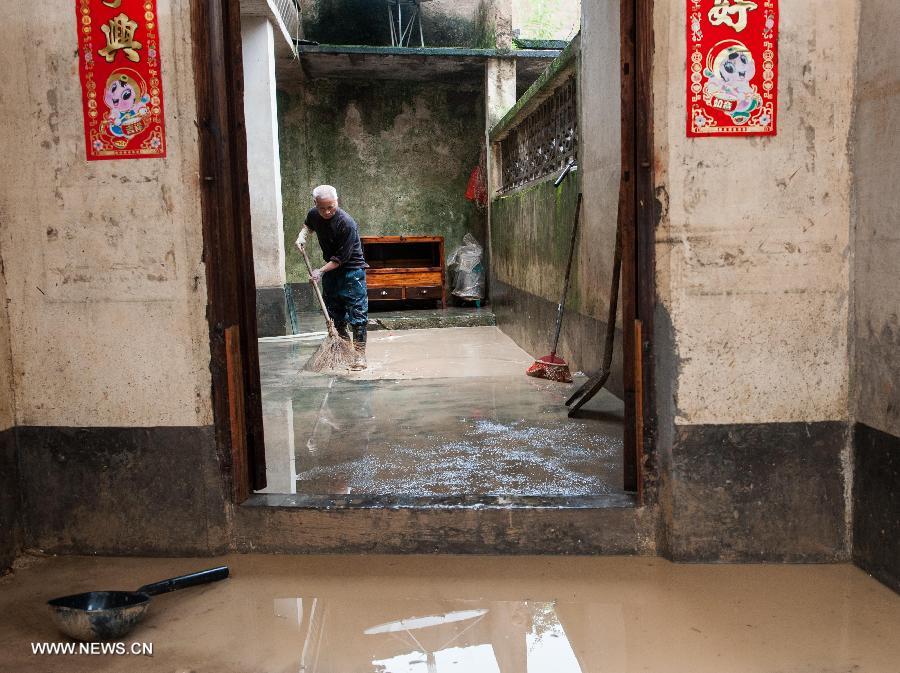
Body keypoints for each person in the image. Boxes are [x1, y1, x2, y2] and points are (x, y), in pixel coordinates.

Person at [295, 185, 369, 370]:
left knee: (357, 316)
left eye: (331, 207)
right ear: (315, 204)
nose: (327, 211)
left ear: (337, 202)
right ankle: (343, 352)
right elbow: (309, 224)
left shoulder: (346, 223)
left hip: (351, 272)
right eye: (322, 208)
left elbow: (340, 259)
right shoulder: (314, 214)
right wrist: (302, 236)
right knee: (336, 316)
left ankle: (359, 356)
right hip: (331, 272)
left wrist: (320, 271)